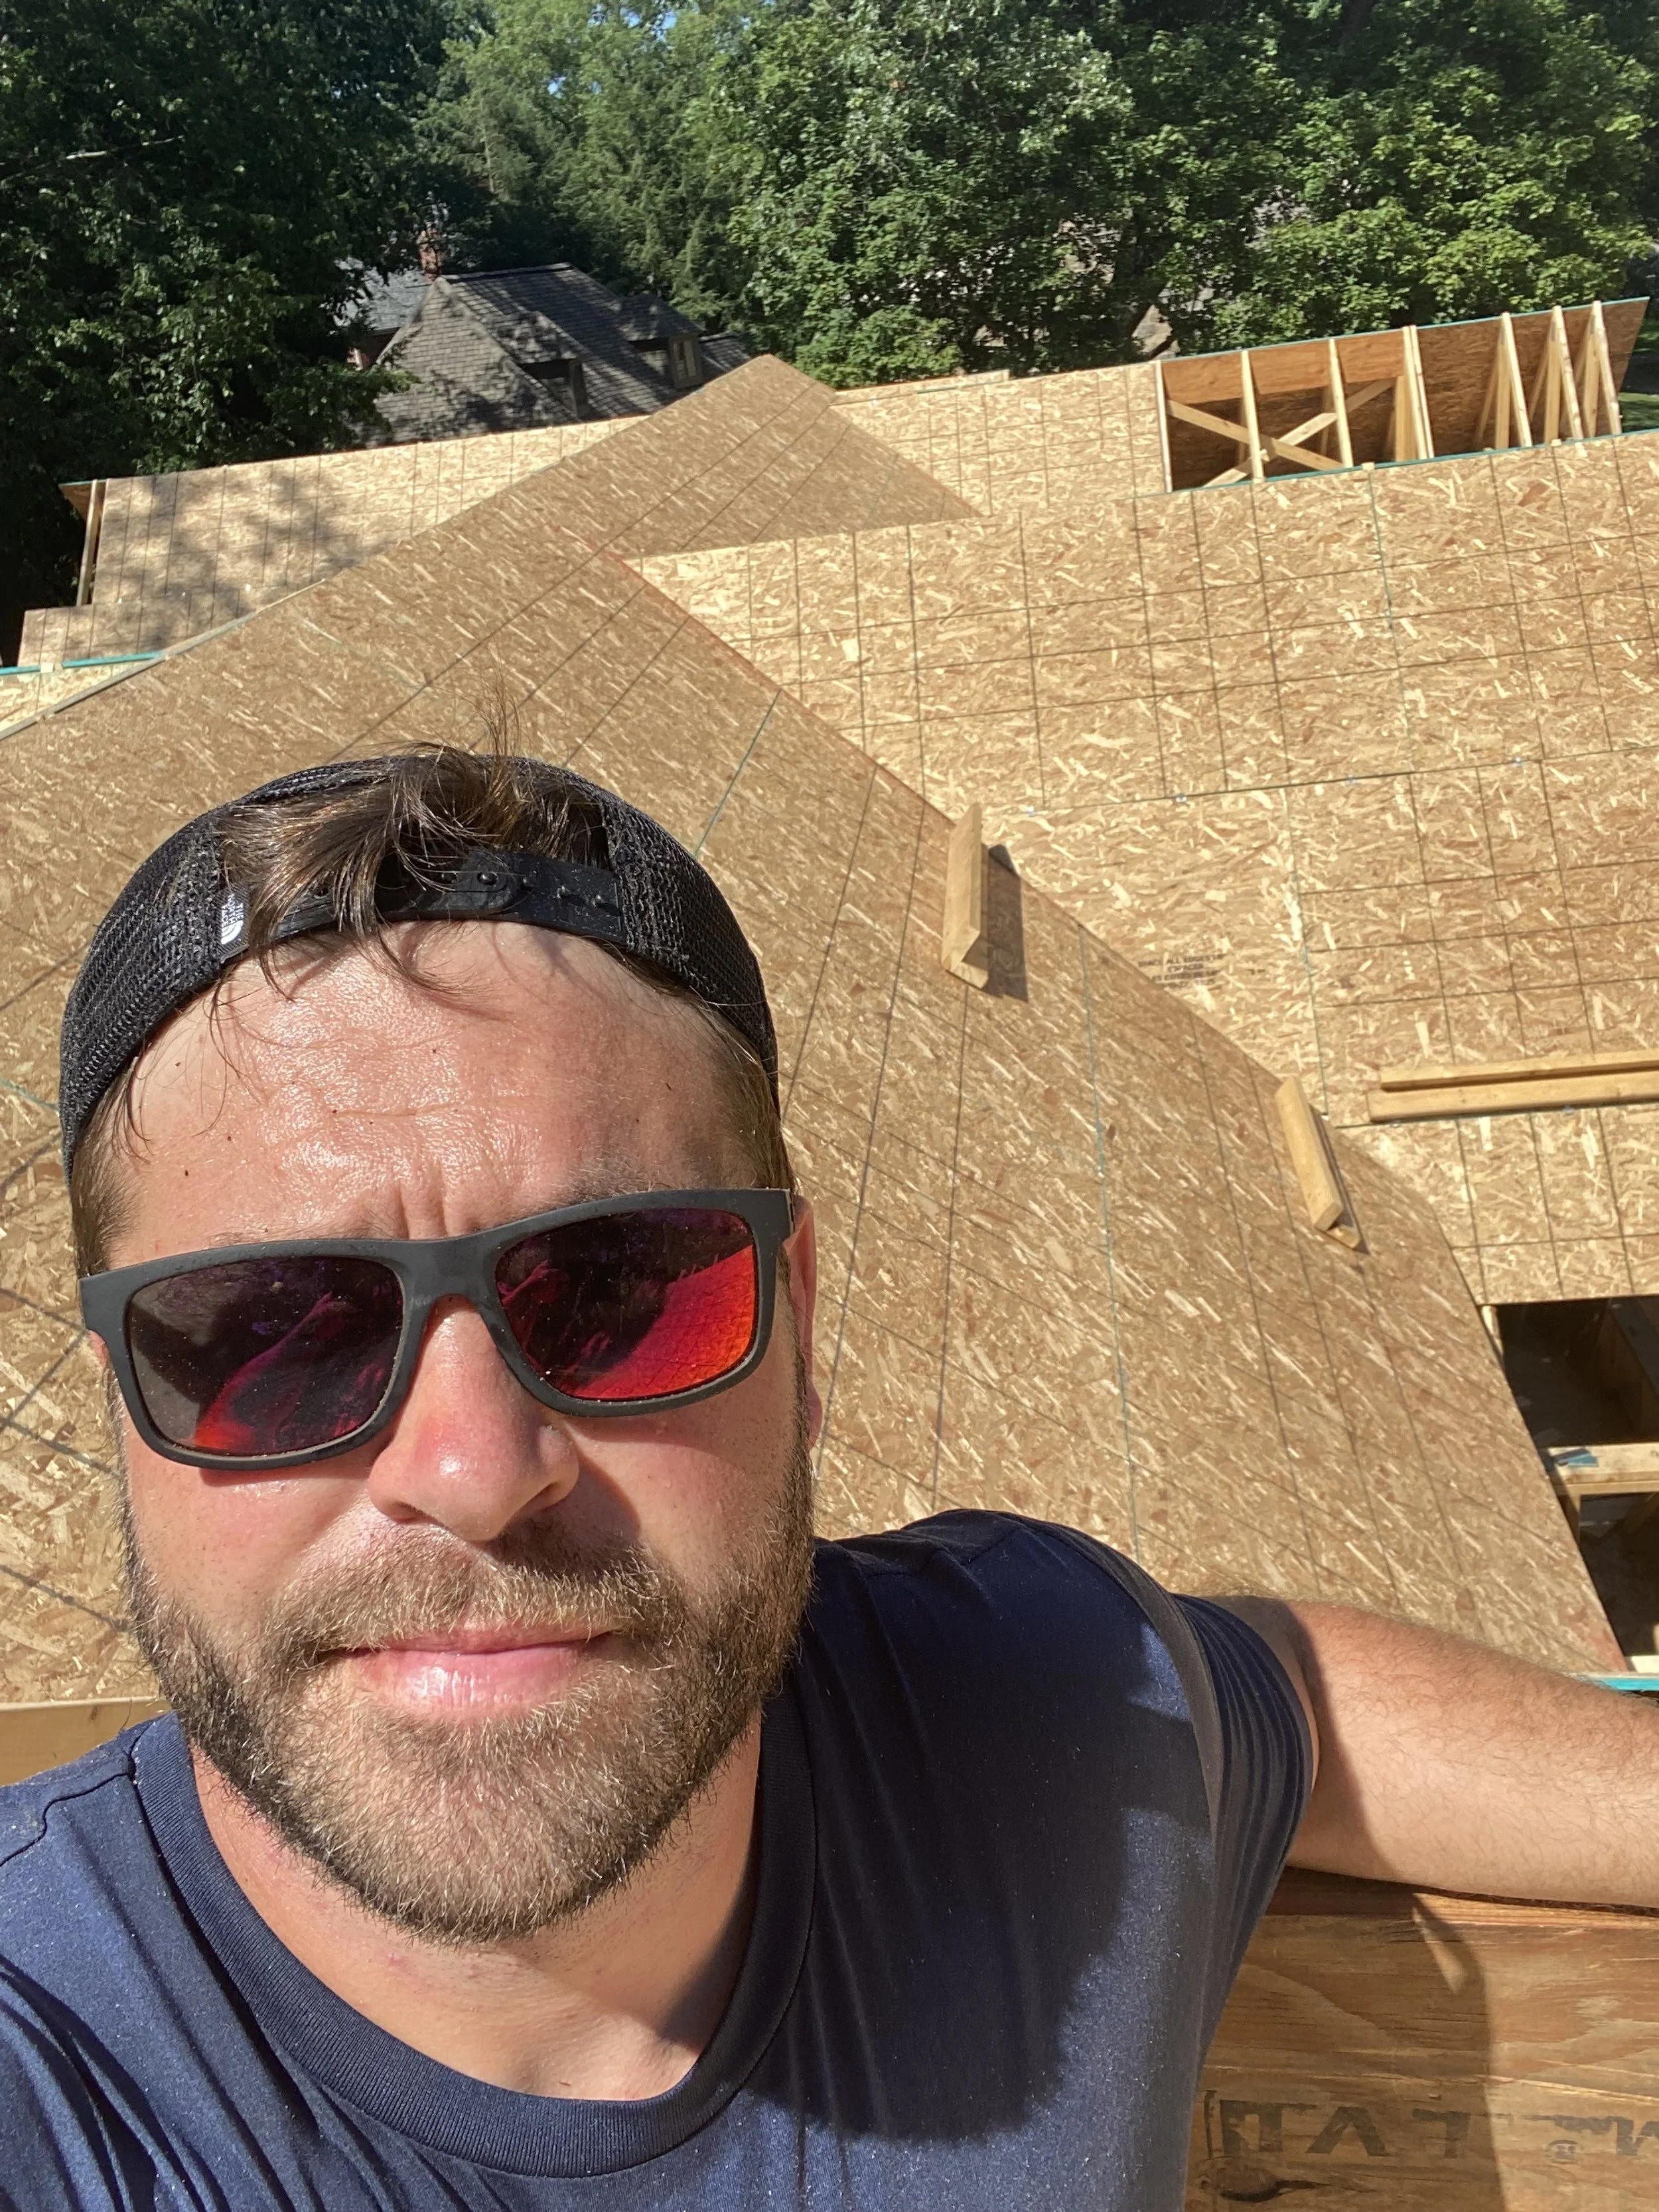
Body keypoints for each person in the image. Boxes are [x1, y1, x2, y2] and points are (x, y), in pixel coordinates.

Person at [1, 747, 1654, 2211]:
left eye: (617, 1285)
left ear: (797, 1320)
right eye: (273, 1332)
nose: (471, 1467)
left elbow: (1280, 1688)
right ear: (123, 1404)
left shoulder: (1045, 1701)